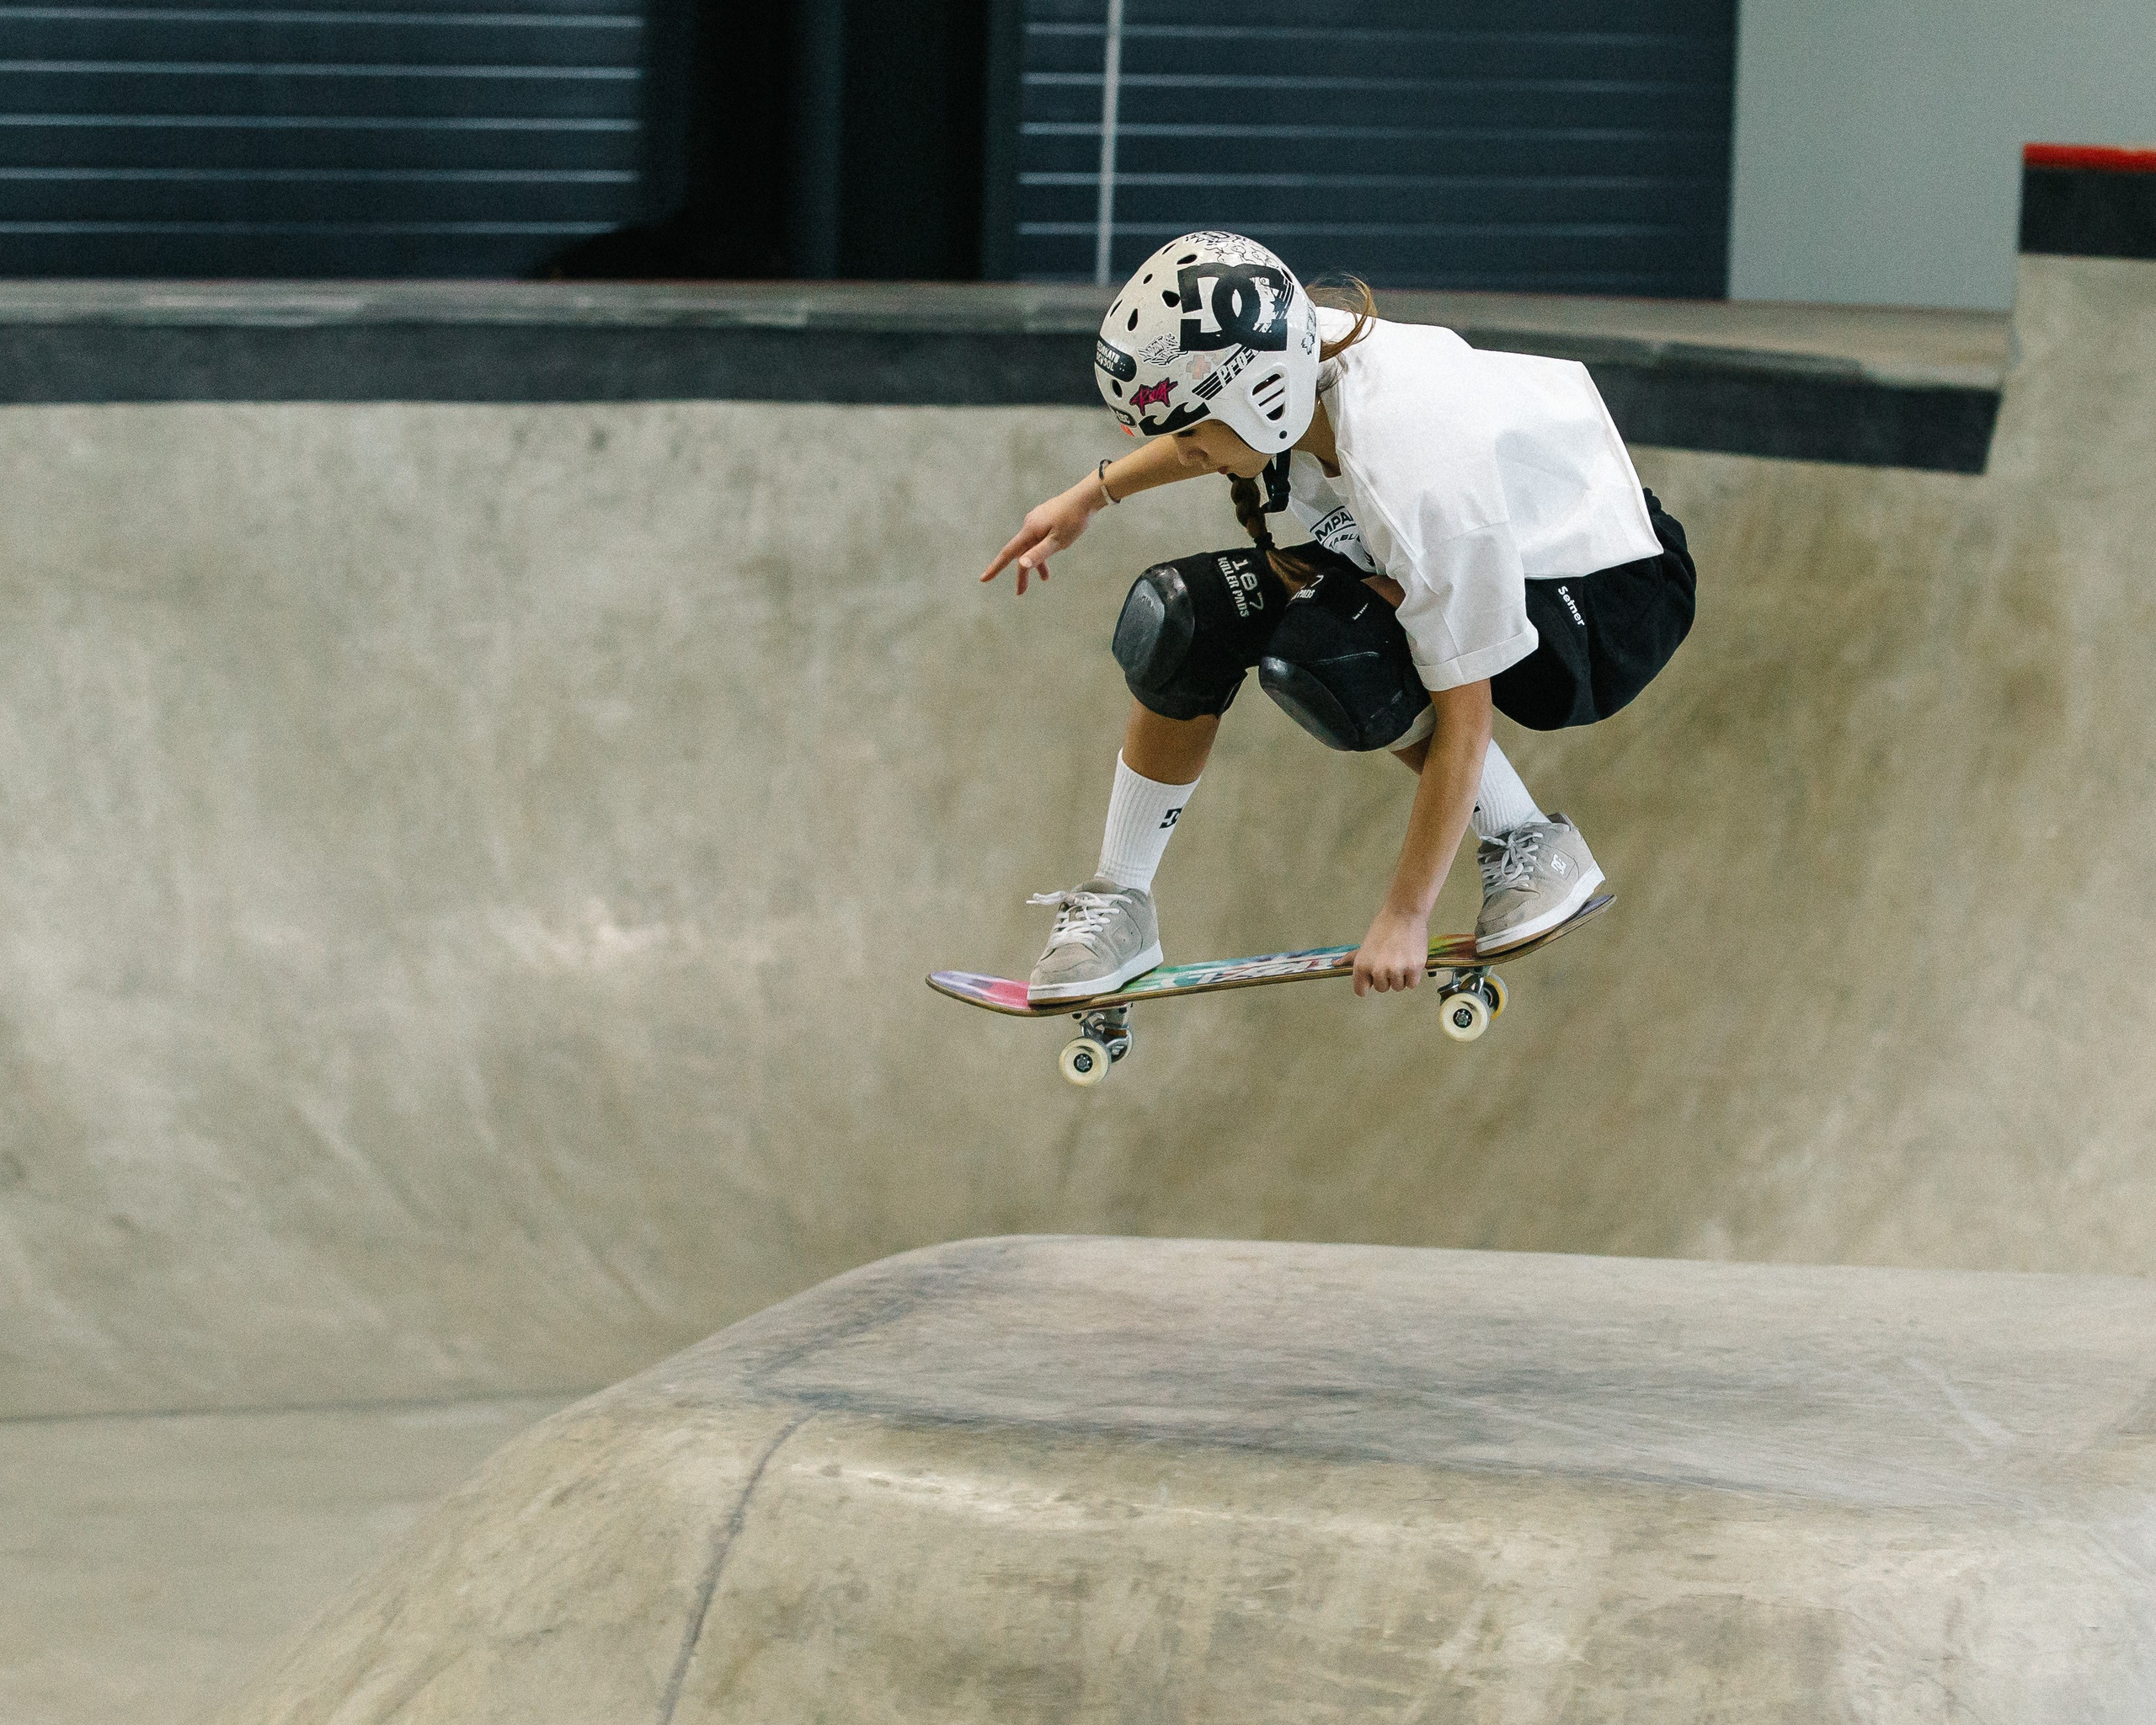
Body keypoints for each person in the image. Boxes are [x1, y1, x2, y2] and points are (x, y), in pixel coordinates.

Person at [983, 231, 1694, 1003]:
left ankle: (1529, 843)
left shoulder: (1415, 476)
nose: (1183, 453)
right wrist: (1091, 494)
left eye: (1189, 435)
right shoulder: (1289, 347)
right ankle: (1120, 900)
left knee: (1335, 648)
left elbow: (1467, 717)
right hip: (1496, 543)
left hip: (1602, 594)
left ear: (1262, 402)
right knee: (1182, 618)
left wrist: (1406, 916)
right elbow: (1207, 411)